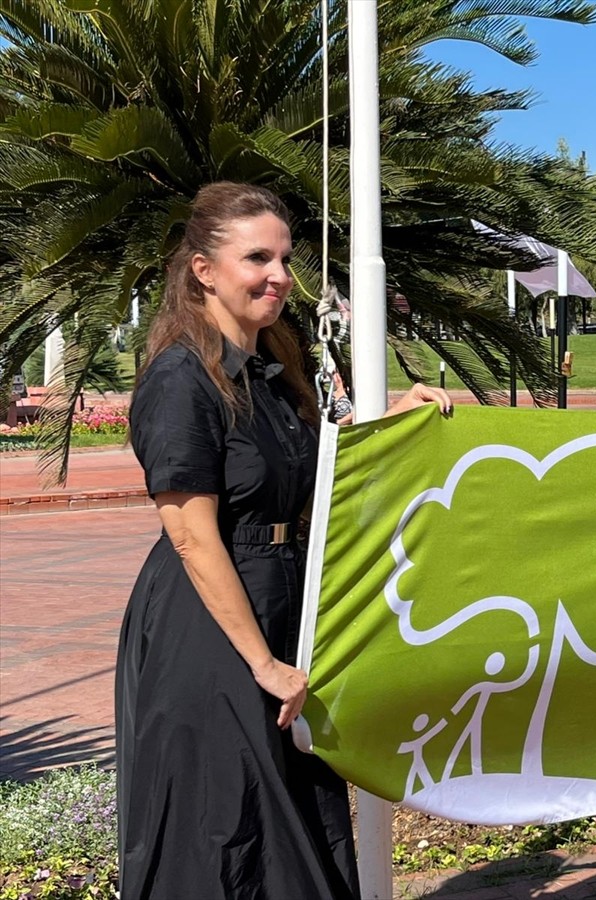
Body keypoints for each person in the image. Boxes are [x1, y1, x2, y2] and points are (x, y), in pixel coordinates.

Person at [115, 182, 452, 900]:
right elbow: (190, 535)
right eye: (257, 258)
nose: (278, 276)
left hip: (280, 605)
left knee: (292, 824)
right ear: (204, 270)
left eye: (285, 258)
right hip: (216, 630)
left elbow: (309, 464)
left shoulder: (268, 370)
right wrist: (263, 662)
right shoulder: (181, 378)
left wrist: (388, 419)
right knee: (228, 829)